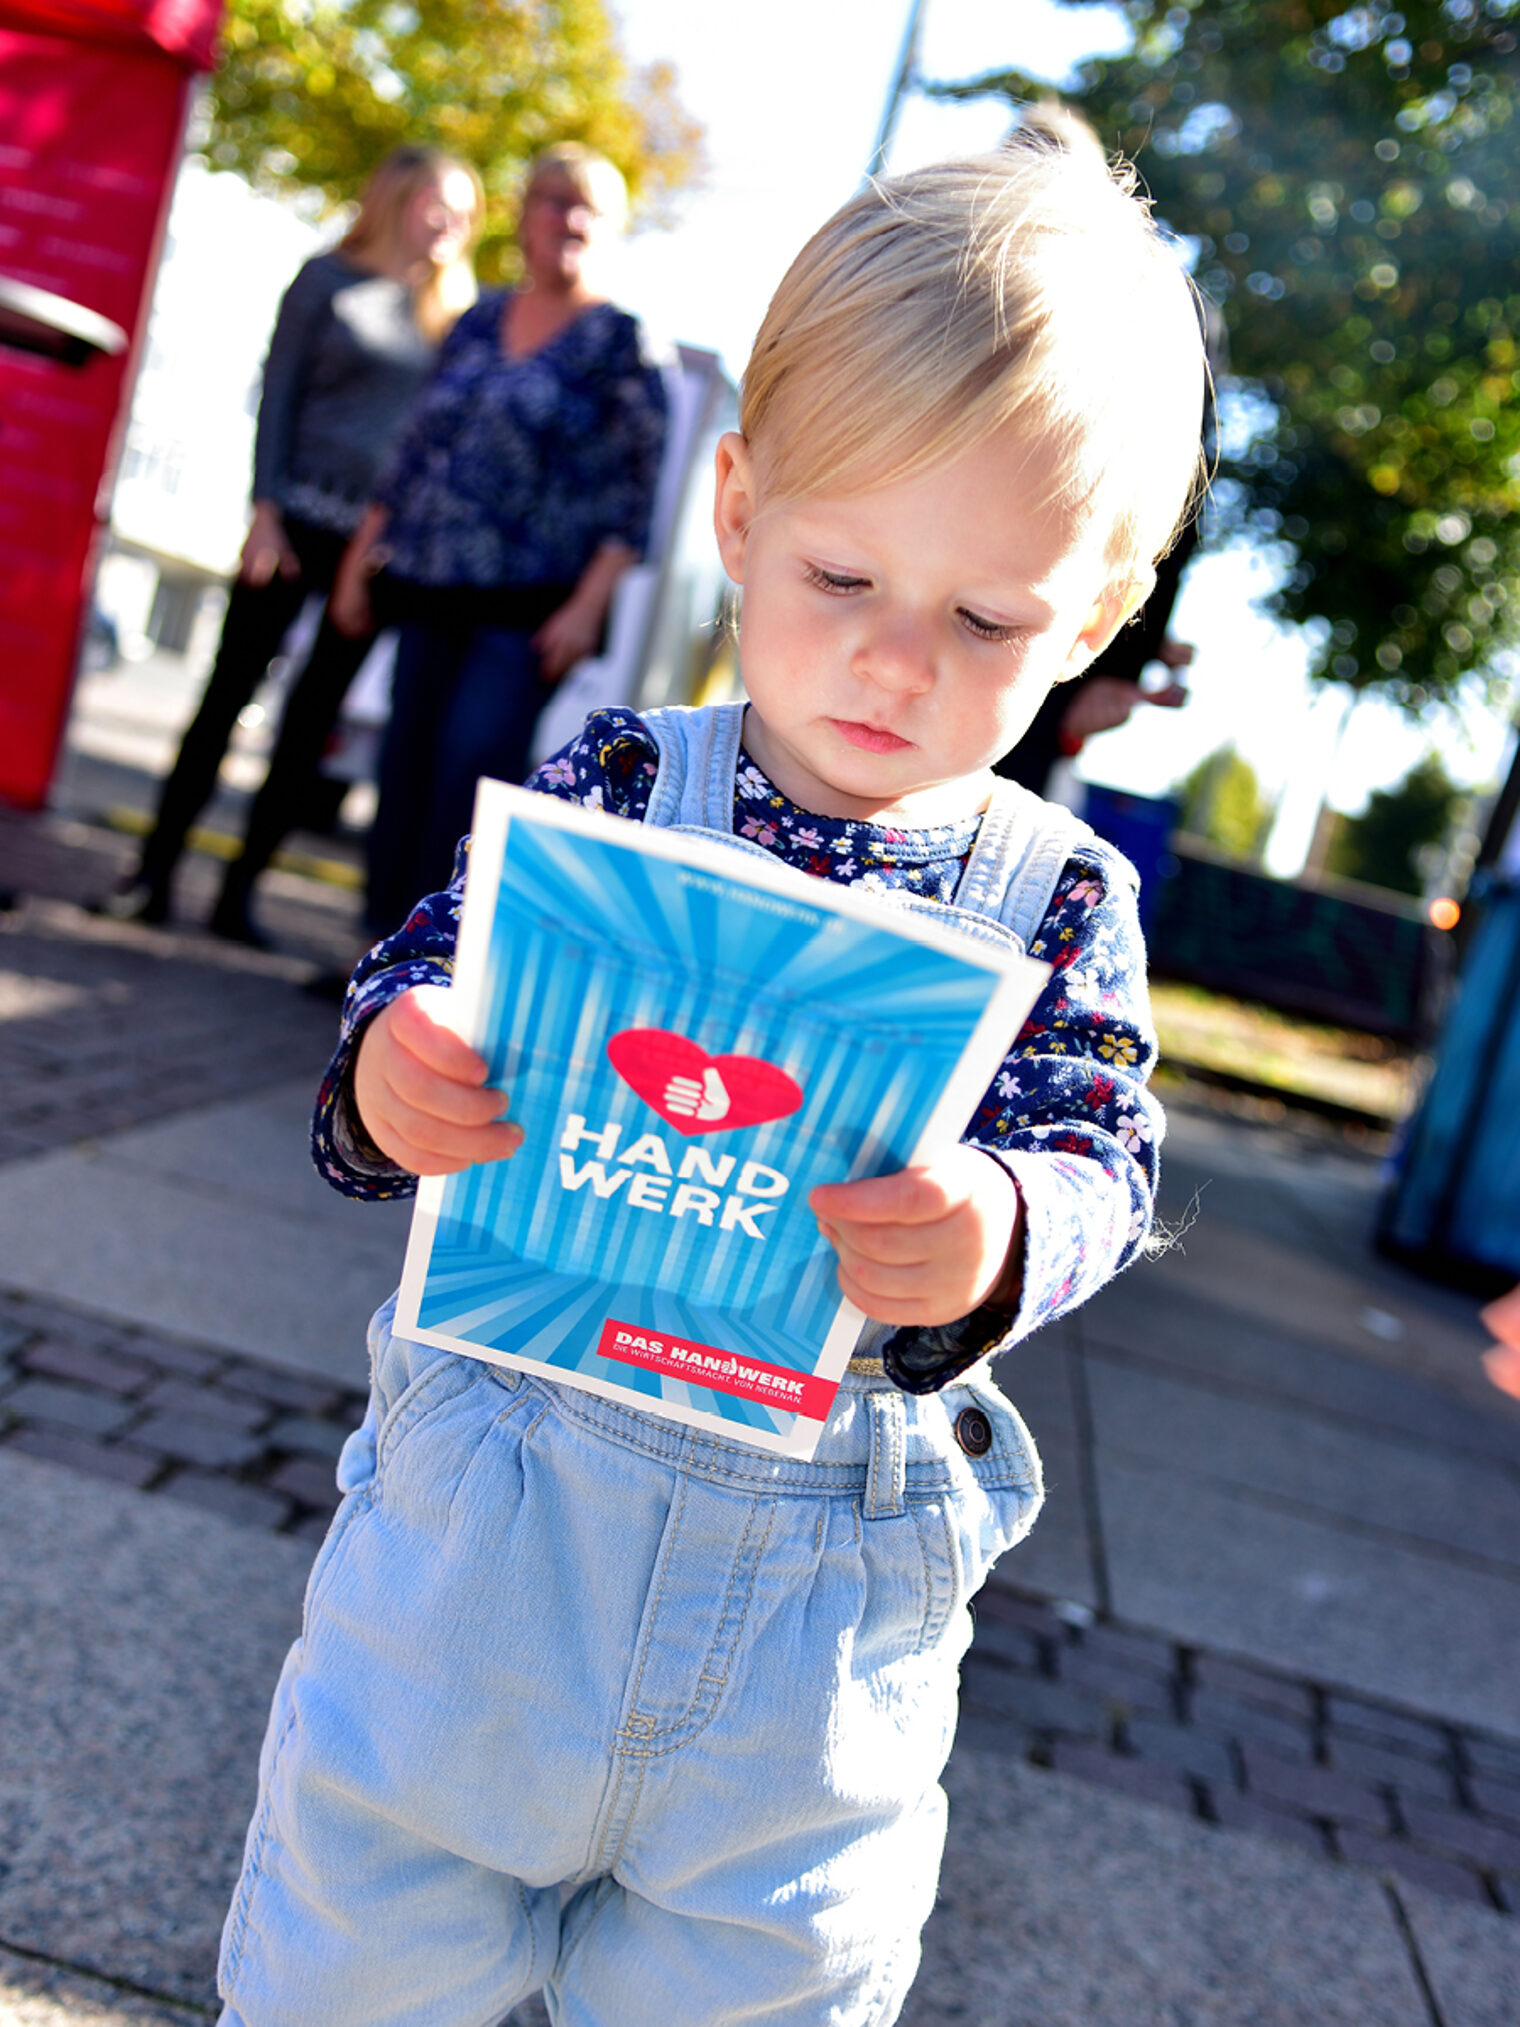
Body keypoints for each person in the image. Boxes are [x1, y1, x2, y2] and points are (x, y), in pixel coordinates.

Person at [218, 135, 1206, 2027]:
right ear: (740, 512)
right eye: (843, 572)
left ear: (1087, 624)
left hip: (807, 1659)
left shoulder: (1061, 900)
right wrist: (394, 1075)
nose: (897, 662)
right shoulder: (615, 789)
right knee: (346, 1972)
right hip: (482, 1575)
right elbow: (429, 968)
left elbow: (1103, 1144)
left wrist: (1006, 1226)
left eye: (988, 621)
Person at [103, 145, 483, 935]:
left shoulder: (458, 319)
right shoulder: (326, 280)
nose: (450, 222)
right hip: (293, 521)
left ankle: (238, 894)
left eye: (465, 210)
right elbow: (276, 400)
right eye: (436, 203)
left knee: (309, 726)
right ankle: (154, 873)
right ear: (397, 200)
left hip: (372, 552)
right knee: (225, 696)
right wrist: (264, 510)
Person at [328, 143, 670, 937]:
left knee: (468, 774)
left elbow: (636, 494)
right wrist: (358, 562)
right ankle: (377, 954)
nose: (568, 218)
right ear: (522, 215)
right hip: (429, 581)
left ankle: (443, 961)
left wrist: (589, 607)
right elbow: (414, 451)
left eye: (588, 207)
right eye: (553, 199)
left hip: (528, 609)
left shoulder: (622, 342)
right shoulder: (477, 318)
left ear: (612, 229)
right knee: (403, 766)